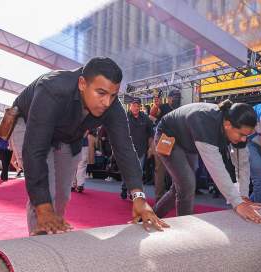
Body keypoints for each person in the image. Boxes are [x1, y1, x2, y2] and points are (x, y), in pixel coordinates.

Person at [10, 57, 167, 234]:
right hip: (29, 123)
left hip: (69, 135)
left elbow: (124, 148)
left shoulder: (112, 106)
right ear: (82, 83)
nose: (107, 102)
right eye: (101, 93)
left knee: (62, 196)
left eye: (113, 95)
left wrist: (139, 196)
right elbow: (35, 150)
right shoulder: (52, 89)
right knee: (45, 196)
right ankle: (39, 243)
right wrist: (43, 209)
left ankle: (53, 233)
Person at [153, 100, 261, 223]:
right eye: (241, 135)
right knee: (187, 184)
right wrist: (237, 202)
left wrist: (243, 196)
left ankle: (152, 215)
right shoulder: (205, 124)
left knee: (180, 188)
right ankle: (185, 228)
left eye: (247, 136)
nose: (244, 139)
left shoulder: (237, 130)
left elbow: (242, 164)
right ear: (227, 124)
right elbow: (217, 169)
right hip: (168, 135)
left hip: (189, 141)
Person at [150, 89, 181, 201]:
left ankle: (175, 195)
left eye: (178, 97)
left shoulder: (180, 109)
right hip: (163, 140)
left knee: (176, 170)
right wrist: (155, 105)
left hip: (176, 142)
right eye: (174, 97)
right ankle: (159, 197)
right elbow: (153, 114)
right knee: (160, 169)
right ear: (169, 98)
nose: (176, 99)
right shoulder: (163, 107)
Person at [121, 97, 154, 199]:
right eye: (134, 105)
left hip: (141, 149)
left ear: (140, 107)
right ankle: (125, 187)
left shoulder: (145, 118)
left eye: (138, 106)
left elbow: (150, 135)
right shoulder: (124, 117)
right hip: (127, 150)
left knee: (137, 172)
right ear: (130, 106)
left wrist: (150, 148)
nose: (136, 107)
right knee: (128, 171)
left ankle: (133, 192)